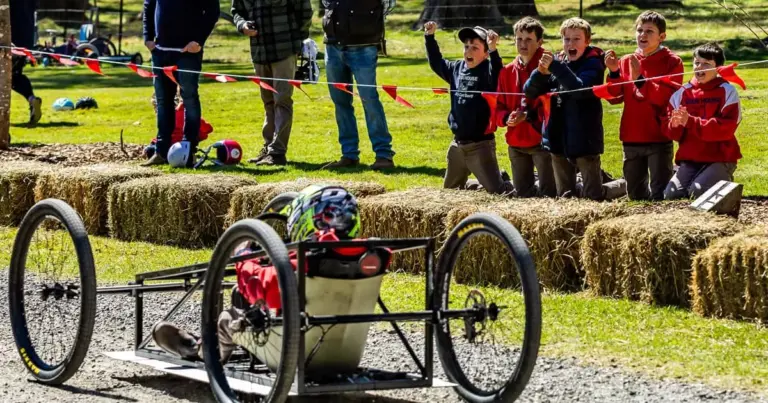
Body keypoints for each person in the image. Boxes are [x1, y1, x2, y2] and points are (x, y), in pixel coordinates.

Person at [152, 185, 388, 364]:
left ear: (307, 219)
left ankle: (199, 351)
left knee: (228, 316)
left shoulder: (308, 259)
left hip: (293, 351)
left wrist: (246, 257)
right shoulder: (374, 254)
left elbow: (265, 290)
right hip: (346, 352)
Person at [423, 22, 513, 195]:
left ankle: (503, 181)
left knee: (498, 192)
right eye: (466, 47)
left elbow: (498, 71)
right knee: (450, 192)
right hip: (457, 145)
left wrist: (494, 50)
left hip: (480, 145)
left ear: (486, 53)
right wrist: (430, 37)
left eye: (475, 48)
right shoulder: (456, 68)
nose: (468, 52)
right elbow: (436, 62)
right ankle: (484, 181)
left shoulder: (488, 70)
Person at [524, 18, 607, 201]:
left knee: (592, 195)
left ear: (587, 41)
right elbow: (529, 92)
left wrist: (555, 67)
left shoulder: (593, 64)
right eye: (566, 39)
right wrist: (540, 73)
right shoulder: (558, 62)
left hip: (585, 138)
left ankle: (616, 188)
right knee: (565, 196)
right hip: (557, 139)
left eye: (576, 39)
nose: (571, 43)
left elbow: (579, 89)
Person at [604, 11, 683, 201]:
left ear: (662, 37)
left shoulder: (672, 62)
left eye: (649, 31)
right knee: (635, 195)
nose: (643, 35)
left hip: (658, 136)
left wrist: (640, 79)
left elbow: (667, 97)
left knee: (660, 193)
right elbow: (614, 97)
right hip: (632, 135)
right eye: (639, 30)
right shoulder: (626, 61)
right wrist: (614, 73)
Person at [231, 0, 313, 166]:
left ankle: (277, 152)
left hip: (285, 50)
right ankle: (268, 147)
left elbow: (304, 12)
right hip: (259, 52)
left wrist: (298, 41)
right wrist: (243, 25)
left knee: (282, 100)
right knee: (268, 102)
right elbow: (237, 11)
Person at [141, 0, 220, 167]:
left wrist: (198, 41)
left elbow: (212, 11)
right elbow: (149, 5)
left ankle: (188, 150)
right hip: (160, 52)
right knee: (163, 100)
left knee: (189, 98)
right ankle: (161, 151)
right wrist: (147, 37)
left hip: (188, 52)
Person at [321, 0, 397, 170]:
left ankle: (383, 154)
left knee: (369, 100)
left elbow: (388, 4)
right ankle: (349, 154)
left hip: (364, 45)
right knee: (340, 102)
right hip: (333, 45)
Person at [661, 43, 742, 200]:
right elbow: (671, 131)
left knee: (697, 192)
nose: (700, 67)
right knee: (671, 195)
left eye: (706, 64)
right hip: (691, 159)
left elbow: (725, 129)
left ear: (718, 68)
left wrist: (690, 121)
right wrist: (675, 125)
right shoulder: (682, 92)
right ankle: (700, 177)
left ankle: (724, 179)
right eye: (697, 62)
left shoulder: (727, 90)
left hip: (720, 157)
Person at [495, 17, 555, 198]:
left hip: (542, 142)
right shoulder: (506, 71)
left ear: (539, 42)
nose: (523, 44)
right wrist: (507, 118)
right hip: (516, 142)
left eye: (529, 39)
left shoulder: (550, 67)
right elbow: (498, 106)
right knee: (523, 196)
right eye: (519, 39)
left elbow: (553, 107)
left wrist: (528, 115)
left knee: (549, 194)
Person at [10, 0, 42, 127]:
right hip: (25, 41)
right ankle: (31, 99)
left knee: (9, 77)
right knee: (15, 75)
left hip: (8, 38)